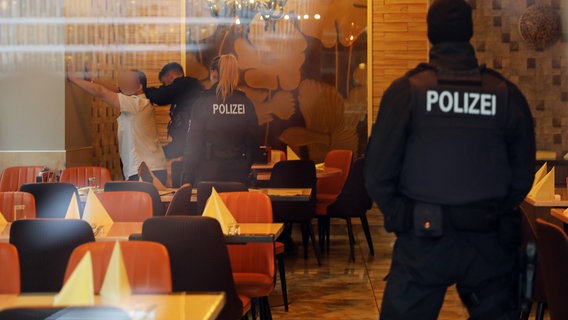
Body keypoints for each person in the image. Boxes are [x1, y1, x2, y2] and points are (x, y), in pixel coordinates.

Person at [364, 0, 536, 319]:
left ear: (431, 34)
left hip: (423, 239)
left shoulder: (407, 92)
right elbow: (523, 174)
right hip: (488, 240)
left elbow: (376, 173)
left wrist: (404, 215)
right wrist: (492, 209)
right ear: (469, 33)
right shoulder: (505, 93)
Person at [66, 61, 167, 184]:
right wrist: (91, 80)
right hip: (150, 168)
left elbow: (101, 92)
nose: (123, 83)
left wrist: (74, 79)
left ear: (139, 87)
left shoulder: (136, 103)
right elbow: (115, 89)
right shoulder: (139, 102)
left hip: (146, 170)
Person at [181, 55, 260, 186]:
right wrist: (245, 164)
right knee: (235, 206)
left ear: (213, 72)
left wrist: (187, 177)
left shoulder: (203, 103)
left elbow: (193, 144)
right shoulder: (246, 104)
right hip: (238, 174)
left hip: (208, 173)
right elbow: (254, 142)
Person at [145, 62, 203, 159]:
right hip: (193, 141)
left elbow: (160, 97)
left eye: (164, 84)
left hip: (189, 141)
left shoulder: (182, 84)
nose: (164, 87)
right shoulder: (191, 86)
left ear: (170, 77)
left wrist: (142, 90)